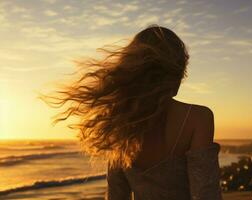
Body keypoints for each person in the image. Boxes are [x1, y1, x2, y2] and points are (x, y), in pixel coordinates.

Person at [41, 24, 223, 200]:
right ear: (176, 71)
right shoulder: (199, 118)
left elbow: (117, 195)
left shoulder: (121, 121)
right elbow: (206, 194)